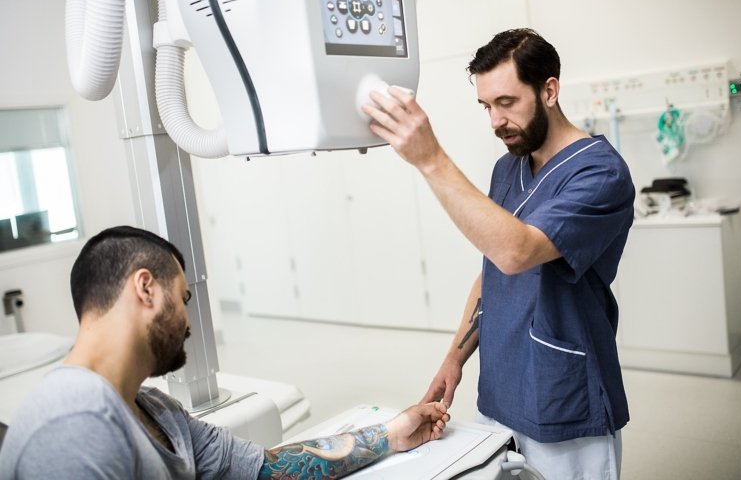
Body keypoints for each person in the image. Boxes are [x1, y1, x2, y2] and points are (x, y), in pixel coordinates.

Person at [362, 28, 634, 479]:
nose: (495, 121)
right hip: (501, 387)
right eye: (487, 106)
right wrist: (455, 357)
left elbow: (516, 252)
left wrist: (430, 159)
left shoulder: (600, 172)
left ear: (549, 90)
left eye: (507, 102)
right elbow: (491, 270)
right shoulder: (507, 168)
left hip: (563, 397)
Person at [0, 226, 449, 479]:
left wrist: (390, 434)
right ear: (145, 288)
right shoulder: (73, 424)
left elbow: (267, 469)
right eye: (183, 299)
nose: (190, 324)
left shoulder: (158, 412)